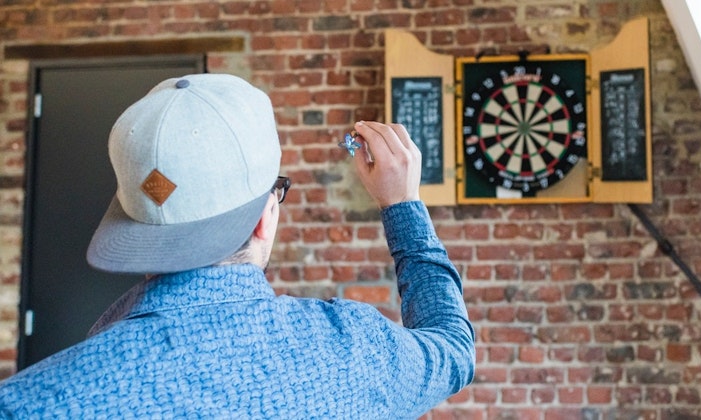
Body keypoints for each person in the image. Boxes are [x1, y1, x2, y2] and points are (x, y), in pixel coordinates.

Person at [0, 74, 475, 418]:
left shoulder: (27, 404)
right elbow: (453, 347)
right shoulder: (356, 352)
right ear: (265, 219)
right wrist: (402, 204)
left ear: (133, 230)